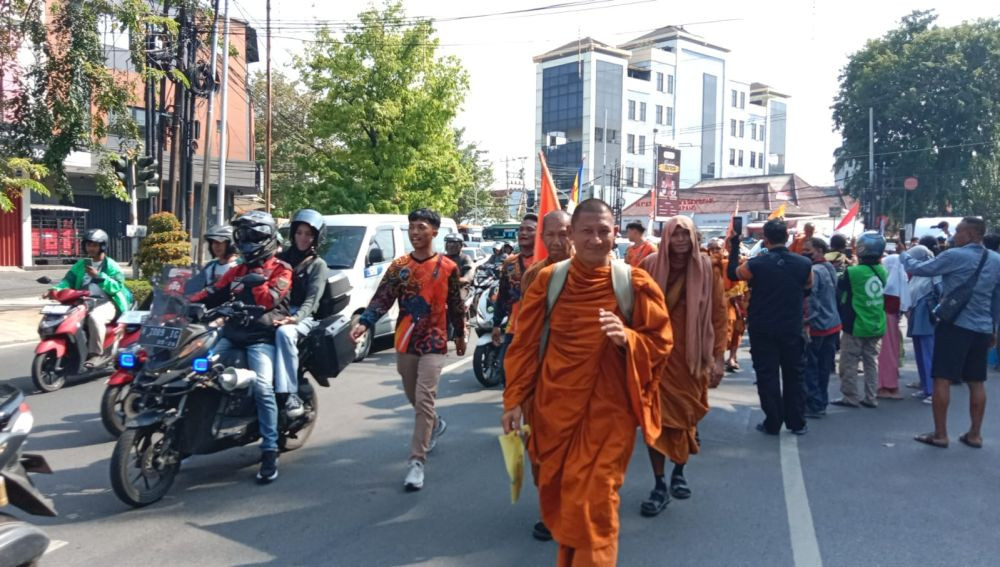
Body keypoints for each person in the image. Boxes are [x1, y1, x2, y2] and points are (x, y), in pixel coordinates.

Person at [502, 199, 672, 566]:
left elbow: (661, 343)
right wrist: (514, 400)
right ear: (572, 236)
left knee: (596, 501)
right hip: (554, 409)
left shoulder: (634, 282)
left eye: (604, 231)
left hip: (610, 416)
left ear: (616, 233)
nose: (596, 239)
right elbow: (526, 344)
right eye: (587, 231)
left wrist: (628, 339)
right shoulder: (549, 281)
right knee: (566, 500)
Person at [350, 208, 466, 490]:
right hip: (405, 340)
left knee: (424, 397)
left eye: (421, 227)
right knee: (413, 394)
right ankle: (435, 423)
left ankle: (417, 462)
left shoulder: (449, 267)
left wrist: (460, 334)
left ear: (434, 232)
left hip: (435, 342)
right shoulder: (399, 266)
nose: (415, 232)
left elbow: (456, 304)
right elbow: (382, 299)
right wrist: (365, 322)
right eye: (412, 227)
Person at [189, 211, 292, 483]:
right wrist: (186, 300)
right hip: (232, 334)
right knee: (196, 372)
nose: (247, 241)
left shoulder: (282, 269)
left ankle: (269, 449)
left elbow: (270, 300)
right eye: (244, 236)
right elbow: (215, 292)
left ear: (267, 238)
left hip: (261, 338)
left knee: (262, 388)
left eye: (253, 236)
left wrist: (257, 277)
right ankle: (188, 435)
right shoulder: (237, 269)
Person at [638, 216, 726, 517]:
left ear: (693, 238)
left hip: (692, 360)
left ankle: (679, 472)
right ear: (665, 238)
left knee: (686, 418)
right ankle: (659, 482)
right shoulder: (649, 266)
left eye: (685, 235)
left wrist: (717, 358)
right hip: (655, 360)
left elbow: (718, 314)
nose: (679, 241)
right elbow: (632, 309)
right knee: (655, 422)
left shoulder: (707, 268)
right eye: (675, 235)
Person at [901, 218, 1000, 449]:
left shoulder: (955, 256)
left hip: (954, 326)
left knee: (942, 378)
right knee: (976, 381)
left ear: (969, 234)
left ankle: (940, 434)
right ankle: (975, 434)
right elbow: (997, 299)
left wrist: (904, 252)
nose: (954, 236)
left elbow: (918, 268)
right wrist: (994, 328)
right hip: (982, 328)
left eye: (958, 231)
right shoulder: (996, 260)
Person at [513, 209, 573, 543]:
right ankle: (550, 508)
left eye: (564, 233)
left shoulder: (598, 272)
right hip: (542, 374)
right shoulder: (534, 274)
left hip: (584, 377)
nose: (557, 241)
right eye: (549, 235)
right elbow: (527, 330)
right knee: (539, 447)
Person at [728, 219, 812, 435]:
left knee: (767, 376)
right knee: (795, 375)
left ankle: (772, 422)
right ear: (787, 237)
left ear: (765, 238)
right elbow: (807, 289)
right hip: (792, 327)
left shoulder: (756, 264)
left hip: (762, 327)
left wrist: (735, 245)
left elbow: (732, 274)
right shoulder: (804, 264)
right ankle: (797, 422)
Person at [48, 228, 133, 368]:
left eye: (94, 245)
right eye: (88, 245)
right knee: (64, 318)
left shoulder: (111, 265)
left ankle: (96, 355)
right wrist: (55, 290)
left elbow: (117, 286)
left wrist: (98, 276)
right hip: (83, 300)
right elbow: (67, 280)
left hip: (107, 301)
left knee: (95, 318)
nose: (91, 248)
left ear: (102, 246)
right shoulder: (81, 264)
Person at [273, 209, 328, 419]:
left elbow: (312, 301)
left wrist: (296, 318)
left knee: (284, 334)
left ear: (316, 237)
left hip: (301, 316)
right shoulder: (280, 259)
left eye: (308, 234)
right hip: (277, 311)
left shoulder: (317, 265)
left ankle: (290, 394)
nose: (303, 238)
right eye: (299, 232)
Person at [832, 232, 887, 409]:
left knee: (849, 363)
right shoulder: (882, 271)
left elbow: (840, 286)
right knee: (871, 363)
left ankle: (850, 397)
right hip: (877, 323)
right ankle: (871, 397)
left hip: (856, 325)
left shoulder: (853, 272)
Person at [491, 214, 538, 385]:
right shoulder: (509, 263)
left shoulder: (547, 262)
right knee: (507, 373)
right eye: (521, 229)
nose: (523, 233)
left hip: (539, 329)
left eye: (530, 230)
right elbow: (503, 295)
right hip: (514, 328)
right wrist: (496, 324)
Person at [801, 238, 842, 418]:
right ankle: (821, 401)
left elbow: (811, 300)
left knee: (812, 366)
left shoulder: (815, 271)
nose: (804, 252)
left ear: (818, 250)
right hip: (832, 323)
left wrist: (806, 322)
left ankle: (815, 403)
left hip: (818, 326)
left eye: (807, 249)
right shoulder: (829, 267)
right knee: (824, 367)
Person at [904, 245, 939, 403]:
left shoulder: (934, 273)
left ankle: (933, 391)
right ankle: (925, 387)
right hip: (917, 314)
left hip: (927, 315)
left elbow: (941, 293)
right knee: (920, 352)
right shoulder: (919, 274)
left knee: (928, 353)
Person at [876, 253, 911, 400]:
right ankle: (888, 385)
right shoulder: (897, 283)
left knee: (887, 350)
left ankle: (887, 385)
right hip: (892, 317)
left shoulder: (886, 284)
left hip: (886, 317)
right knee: (890, 350)